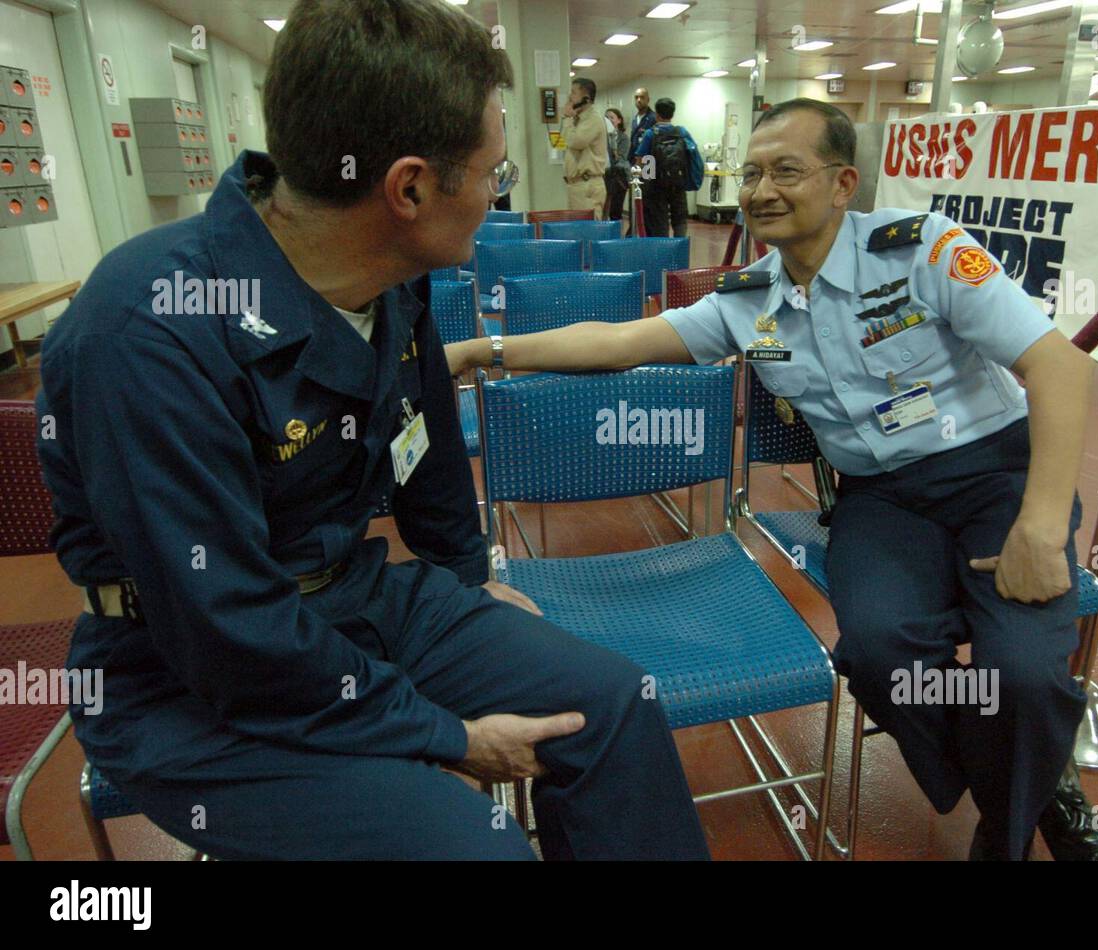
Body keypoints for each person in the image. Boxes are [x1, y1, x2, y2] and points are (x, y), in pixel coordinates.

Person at [35, 0, 708, 861]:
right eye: (492, 174)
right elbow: (228, 630)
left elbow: (423, 447)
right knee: (479, 850)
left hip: (353, 598)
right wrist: (447, 737)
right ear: (412, 188)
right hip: (188, 679)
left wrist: (466, 582)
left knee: (615, 704)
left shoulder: (394, 275)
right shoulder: (147, 331)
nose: (500, 195)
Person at [446, 97, 1098, 862]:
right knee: (876, 654)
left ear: (843, 183)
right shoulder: (746, 303)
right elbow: (617, 341)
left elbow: (1057, 364)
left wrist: (1040, 524)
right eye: (752, 172)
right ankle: (1025, 774)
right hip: (883, 500)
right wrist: (483, 351)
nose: (762, 188)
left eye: (787, 171)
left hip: (997, 477)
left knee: (1026, 677)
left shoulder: (923, 250)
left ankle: (1011, 827)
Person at [635, 97, 698, 238]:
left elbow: (642, 160)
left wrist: (644, 182)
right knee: (680, 218)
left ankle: (663, 252)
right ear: (672, 114)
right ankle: (680, 250)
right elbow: (692, 153)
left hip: (656, 186)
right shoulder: (682, 132)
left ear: (656, 114)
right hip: (678, 182)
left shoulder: (650, 134)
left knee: (659, 221)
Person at [560, 77, 606, 219]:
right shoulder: (576, 119)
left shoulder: (593, 119)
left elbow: (575, 141)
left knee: (588, 233)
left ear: (586, 99)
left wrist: (567, 118)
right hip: (576, 186)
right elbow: (563, 141)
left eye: (573, 93)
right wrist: (568, 119)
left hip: (587, 185)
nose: (569, 97)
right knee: (576, 233)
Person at [603, 107, 631, 228]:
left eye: (612, 117)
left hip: (618, 177)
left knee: (615, 209)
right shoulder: (601, 136)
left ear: (619, 120)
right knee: (604, 206)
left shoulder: (623, 138)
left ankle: (616, 235)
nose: (609, 120)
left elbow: (621, 157)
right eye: (606, 117)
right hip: (604, 175)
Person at [628, 87, 655, 160]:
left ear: (648, 100)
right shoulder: (634, 119)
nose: (638, 100)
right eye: (636, 97)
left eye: (642, 97)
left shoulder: (653, 118)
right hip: (634, 159)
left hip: (648, 160)